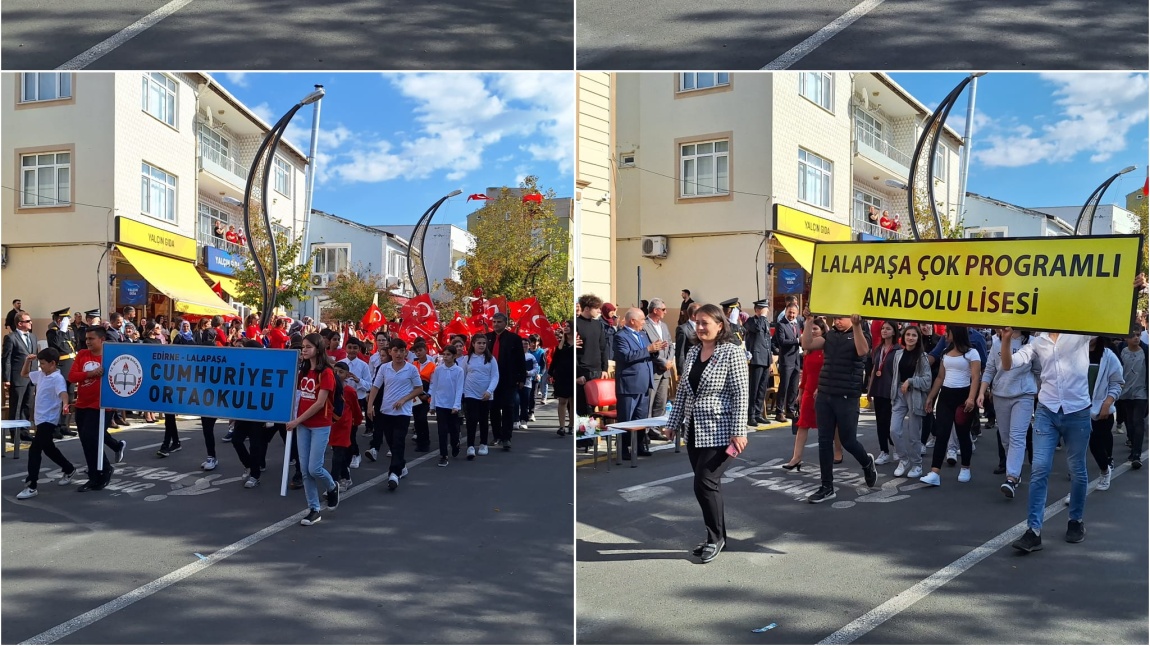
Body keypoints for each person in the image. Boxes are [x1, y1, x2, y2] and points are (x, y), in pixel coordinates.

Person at [665, 303, 748, 563]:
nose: (700, 328)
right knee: (709, 486)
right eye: (697, 323)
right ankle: (718, 536)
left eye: (706, 323)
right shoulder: (692, 353)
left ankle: (715, 538)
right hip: (695, 430)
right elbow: (683, 393)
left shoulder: (731, 353)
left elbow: (740, 394)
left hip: (721, 430)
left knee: (704, 482)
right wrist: (673, 423)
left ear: (720, 325)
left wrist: (738, 430)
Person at [802, 314, 877, 504]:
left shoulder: (861, 334)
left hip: (847, 397)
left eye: (841, 318)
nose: (836, 321)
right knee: (824, 441)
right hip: (825, 395)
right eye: (834, 318)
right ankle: (827, 486)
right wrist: (809, 320)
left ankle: (867, 463)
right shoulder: (830, 335)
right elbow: (807, 345)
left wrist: (858, 326)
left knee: (848, 441)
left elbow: (863, 351)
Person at [978, 328, 1040, 498]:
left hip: (1024, 395)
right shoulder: (997, 341)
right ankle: (1014, 471)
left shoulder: (1032, 343)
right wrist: (982, 392)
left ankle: (1012, 477)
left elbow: (1038, 370)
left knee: (1017, 437)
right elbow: (990, 369)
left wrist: (1039, 391)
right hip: (1000, 394)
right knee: (1005, 438)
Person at [287, 333, 339, 526]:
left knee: (314, 468)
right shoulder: (302, 371)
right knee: (305, 470)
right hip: (303, 425)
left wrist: (296, 420)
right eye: (303, 347)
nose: (304, 350)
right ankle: (314, 509)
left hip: (320, 425)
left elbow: (319, 403)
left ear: (318, 348)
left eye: (308, 347)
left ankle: (332, 486)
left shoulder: (326, 372)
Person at [921, 326, 982, 486]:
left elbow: (976, 377)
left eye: (947, 332)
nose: (944, 335)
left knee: (963, 434)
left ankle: (965, 467)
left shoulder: (972, 353)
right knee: (942, 433)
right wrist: (931, 396)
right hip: (946, 395)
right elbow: (940, 377)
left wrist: (971, 398)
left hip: (963, 396)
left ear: (955, 333)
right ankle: (935, 472)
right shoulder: (945, 352)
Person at [16, 348, 77, 499]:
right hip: (39, 417)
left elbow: (63, 393)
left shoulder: (57, 378)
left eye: (43, 363)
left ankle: (31, 485)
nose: (41, 366)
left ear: (52, 363)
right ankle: (69, 469)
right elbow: (23, 374)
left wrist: (65, 404)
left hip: (49, 419)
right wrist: (27, 361)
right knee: (49, 448)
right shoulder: (41, 375)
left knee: (34, 450)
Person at [366, 339, 424, 491]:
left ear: (406, 352)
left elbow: (419, 388)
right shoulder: (384, 368)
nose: (398, 354)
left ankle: (394, 474)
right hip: (386, 411)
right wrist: (370, 406)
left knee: (398, 441)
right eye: (395, 350)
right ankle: (402, 465)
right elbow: (375, 387)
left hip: (403, 412)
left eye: (401, 351)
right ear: (390, 352)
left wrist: (404, 399)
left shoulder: (411, 369)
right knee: (391, 441)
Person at [69, 327, 119, 491]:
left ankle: (103, 472)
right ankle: (94, 474)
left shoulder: (110, 357)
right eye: (86, 339)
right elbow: (72, 376)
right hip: (83, 403)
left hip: (102, 405)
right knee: (85, 440)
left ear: (102, 339)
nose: (88, 342)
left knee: (92, 438)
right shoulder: (82, 354)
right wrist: (90, 374)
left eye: (91, 338)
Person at [615, 308, 663, 460]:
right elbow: (625, 356)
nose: (644, 322)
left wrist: (655, 349)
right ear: (632, 321)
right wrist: (648, 349)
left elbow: (647, 352)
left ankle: (640, 445)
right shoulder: (620, 336)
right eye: (642, 319)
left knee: (641, 418)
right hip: (629, 384)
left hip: (644, 381)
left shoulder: (642, 334)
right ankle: (623, 449)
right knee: (626, 418)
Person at [888, 325, 932, 478]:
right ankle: (903, 459)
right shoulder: (899, 354)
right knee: (894, 430)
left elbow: (927, 381)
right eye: (908, 335)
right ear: (903, 337)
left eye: (914, 335)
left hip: (915, 396)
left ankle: (917, 464)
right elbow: (895, 376)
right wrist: (894, 392)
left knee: (914, 434)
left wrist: (911, 381)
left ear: (918, 338)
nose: (910, 338)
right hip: (899, 393)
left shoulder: (922, 357)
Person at [783, 318, 827, 470]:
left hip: (823, 391)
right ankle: (796, 458)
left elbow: (827, 372)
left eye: (816, 329)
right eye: (811, 329)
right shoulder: (808, 351)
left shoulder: (826, 349)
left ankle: (834, 455)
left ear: (823, 332)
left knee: (827, 427)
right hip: (808, 392)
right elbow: (806, 374)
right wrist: (800, 393)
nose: (813, 332)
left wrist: (820, 387)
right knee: (803, 425)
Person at [1085, 337, 1124, 491]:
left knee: (1095, 444)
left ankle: (1105, 469)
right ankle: (1076, 489)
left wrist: (1107, 403)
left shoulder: (1108, 356)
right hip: (1075, 409)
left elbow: (1117, 382)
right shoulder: (1073, 353)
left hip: (1099, 410)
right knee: (1075, 448)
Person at [486, 313, 526, 450]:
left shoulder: (514, 339)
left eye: (498, 322)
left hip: (508, 379)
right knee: (494, 408)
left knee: (508, 407)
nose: (495, 324)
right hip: (491, 380)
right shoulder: (487, 338)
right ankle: (497, 435)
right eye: (494, 322)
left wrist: (521, 378)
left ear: (505, 323)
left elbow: (520, 360)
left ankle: (507, 438)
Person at [459, 335, 498, 459]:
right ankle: (470, 446)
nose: (481, 345)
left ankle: (483, 443)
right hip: (470, 393)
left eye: (484, 343)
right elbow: (462, 376)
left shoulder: (491, 359)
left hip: (485, 395)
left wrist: (489, 391)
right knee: (471, 419)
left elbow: (495, 376)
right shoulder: (467, 359)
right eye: (479, 343)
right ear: (473, 344)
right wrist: (462, 393)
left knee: (483, 419)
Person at [867, 321, 899, 465]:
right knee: (880, 421)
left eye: (888, 329)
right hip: (878, 388)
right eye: (883, 329)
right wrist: (869, 389)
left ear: (894, 332)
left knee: (890, 423)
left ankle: (896, 447)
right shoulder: (878, 348)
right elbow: (874, 369)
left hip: (891, 389)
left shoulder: (898, 350)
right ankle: (884, 451)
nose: (884, 331)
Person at [643, 299, 675, 439]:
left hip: (665, 370)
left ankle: (656, 428)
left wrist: (669, 361)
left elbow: (670, 345)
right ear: (655, 310)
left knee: (661, 401)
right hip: (653, 368)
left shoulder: (664, 326)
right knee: (650, 401)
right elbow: (648, 348)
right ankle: (647, 430)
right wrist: (662, 361)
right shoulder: (644, 325)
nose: (665, 312)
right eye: (663, 309)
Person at [330, 361, 364, 492]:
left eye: (341, 372)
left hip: (345, 426)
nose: (337, 374)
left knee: (338, 455)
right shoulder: (329, 388)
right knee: (338, 454)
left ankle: (332, 485)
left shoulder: (349, 391)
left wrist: (356, 422)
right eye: (335, 371)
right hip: (333, 426)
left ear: (347, 375)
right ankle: (346, 476)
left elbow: (356, 409)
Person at [429, 344, 464, 467]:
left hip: (452, 405)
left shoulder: (459, 370)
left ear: (454, 356)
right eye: (444, 354)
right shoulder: (438, 369)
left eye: (448, 355)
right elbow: (434, 387)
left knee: (454, 429)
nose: (445, 357)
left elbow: (459, 389)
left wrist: (456, 405)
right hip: (441, 404)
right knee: (442, 431)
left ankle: (456, 444)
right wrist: (432, 405)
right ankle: (443, 455)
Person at [45, 307, 78, 437]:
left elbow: (74, 346)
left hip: (71, 365)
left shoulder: (69, 331)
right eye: (66, 319)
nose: (69, 321)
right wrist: (62, 330)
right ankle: (55, 427)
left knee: (69, 396)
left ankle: (64, 425)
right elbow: (57, 345)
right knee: (59, 397)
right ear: (59, 320)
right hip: (61, 366)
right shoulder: (52, 333)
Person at [575, 294, 609, 416]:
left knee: (595, 408)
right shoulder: (576, 324)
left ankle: (593, 433)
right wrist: (577, 375)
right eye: (597, 308)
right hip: (583, 371)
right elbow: (574, 352)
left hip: (597, 371)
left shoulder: (598, 324)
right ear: (587, 308)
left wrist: (604, 369)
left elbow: (603, 348)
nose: (600, 311)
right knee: (583, 408)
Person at [1117, 331, 1147, 469]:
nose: (1136, 338)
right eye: (1133, 335)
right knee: (1129, 421)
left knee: (1138, 421)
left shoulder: (1146, 351)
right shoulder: (1121, 352)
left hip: (1141, 393)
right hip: (1125, 393)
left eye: (1138, 335)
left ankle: (1136, 455)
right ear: (1126, 338)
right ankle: (1132, 442)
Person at [4, 310, 38, 426]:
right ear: (19, 323)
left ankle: (24, 431)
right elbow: (6, 359)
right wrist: (7, 378)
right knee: (16, 405)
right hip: (18, 377)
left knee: (28, 404)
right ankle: (14, 431)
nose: (31, 323)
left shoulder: (33, 337)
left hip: (31, 376)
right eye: (27, 321)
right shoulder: (11, 337)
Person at [771, 304, 803, 423]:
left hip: (796, 359)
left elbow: (799, 339)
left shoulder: (796, 324)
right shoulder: (781, 324)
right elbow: (782, 341)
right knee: (784, 386)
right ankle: (779, 412)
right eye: (790, 312)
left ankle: (790, 409)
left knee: (794, 386)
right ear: (786, 311)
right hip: (786, 360)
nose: (792, 315)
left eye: (794, 313)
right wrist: (797, 340)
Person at [744, 299, 773, 427]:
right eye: (763, 309)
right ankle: (750, 415)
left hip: (765, 359)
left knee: (762, 388)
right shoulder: (751, 321)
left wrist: (770, 360)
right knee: (754, 388)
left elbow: (768, 342)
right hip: (756, 359)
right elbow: (757, 328)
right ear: (757, 310)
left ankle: (758, 413)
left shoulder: (765, 321)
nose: (765, 312)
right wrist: (761, 316)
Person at [343, 339, 371, 469]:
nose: (352, 350)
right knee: (343, 429)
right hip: (342, 400)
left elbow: (369, 385)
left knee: (352, 429)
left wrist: (358, 380)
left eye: (355, 348)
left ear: (359, 349)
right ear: (346, 348)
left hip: (357, 400)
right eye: (350, 347)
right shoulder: (341, 363)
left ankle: (355, 453)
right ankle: (346, 454)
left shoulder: (363, 365)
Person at [411, 340, 436, 453]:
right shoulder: (413, 365)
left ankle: (425, 442)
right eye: (416, 351)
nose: (418, 353)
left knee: (422, 418)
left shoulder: (432, 366)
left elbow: (433, 382)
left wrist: (428, 394)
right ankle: (420, 442)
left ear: (426, 351)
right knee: (416, 419)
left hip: (425, 394)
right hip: (415, 394)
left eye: (420, 350)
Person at [550, 327, 575, 436]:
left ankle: (572, 425)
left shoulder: (578, 341)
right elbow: (555, 359)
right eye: (565, 326)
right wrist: (551, 372)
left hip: (573, 375)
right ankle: (561, 426)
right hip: (562, 376)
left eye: (568, 326)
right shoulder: (561, 344)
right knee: (562, 401)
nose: (566, 328)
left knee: (572, 401)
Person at [675, 302, 701, 376]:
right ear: (693, 315)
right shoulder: (683, 329)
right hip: (689, 368)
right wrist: (682, 372)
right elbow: (680, 353)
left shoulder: (702, 327)